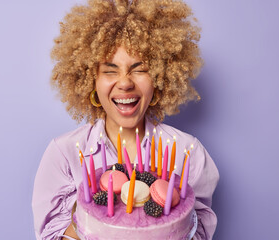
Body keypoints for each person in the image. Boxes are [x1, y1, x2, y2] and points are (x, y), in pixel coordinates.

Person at [32, 0, 219, 239]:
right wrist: (84, 219)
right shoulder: (64, 154)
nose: (125, 83)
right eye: (110, 70)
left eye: (139, 69)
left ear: (159, 78)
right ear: (90, 81)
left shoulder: (188, 152)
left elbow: (198, 230)